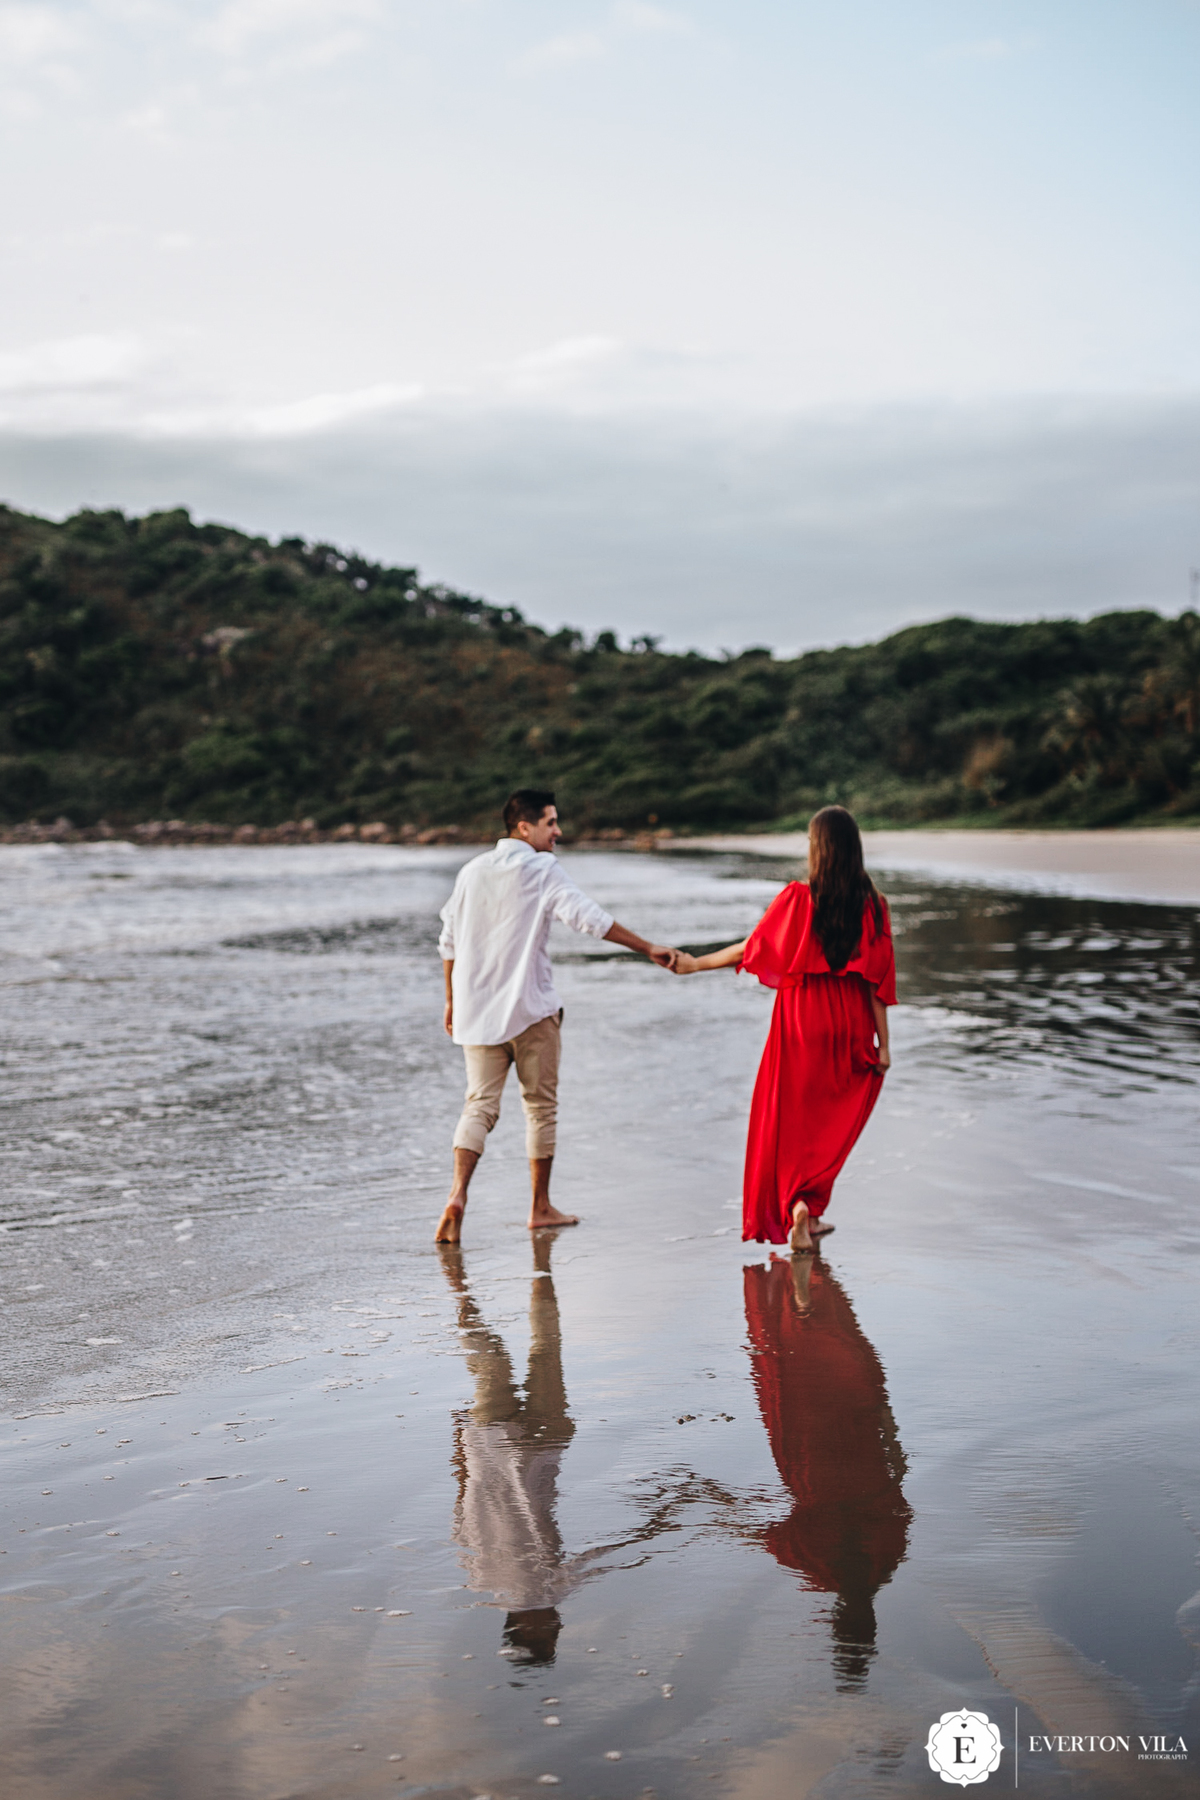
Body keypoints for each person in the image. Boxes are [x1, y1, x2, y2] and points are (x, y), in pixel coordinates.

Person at [435, 788, 676, 1242]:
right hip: (531, 1012)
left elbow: (447, 940)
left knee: (479, 1106)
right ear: (524, 828)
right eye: (550, 822)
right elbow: (589, 918)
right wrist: (647, 946)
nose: (558, 831)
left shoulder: (470, 871)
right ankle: (540, 1208)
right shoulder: (542, 868)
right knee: (540, 1109)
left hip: (477, 1014)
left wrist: (450, 1000)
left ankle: (457, 1193)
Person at [672, 805, 894, 1251]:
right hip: (849, 1021)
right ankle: (808, 1208)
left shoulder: (798, 898)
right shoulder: (873, 905)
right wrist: (883, 1044)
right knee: (831, 1122)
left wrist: (696, 963)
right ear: (854, 849)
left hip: (800, 1019)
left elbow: (751, 949)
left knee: (789, 1122)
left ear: (818, 850)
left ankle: (796, 1208)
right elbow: (878, 981)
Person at [742, 1256, 912, 1690]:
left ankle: (801, 1298)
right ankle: (797, 1300)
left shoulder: (875, 1559)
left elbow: (898, 1487)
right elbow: (769, 1535)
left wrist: (887, 1426)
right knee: (800, 1370)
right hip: (825, 1453)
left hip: (841, 1453)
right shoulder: (823, 1568)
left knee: (820, 1364)